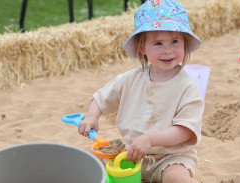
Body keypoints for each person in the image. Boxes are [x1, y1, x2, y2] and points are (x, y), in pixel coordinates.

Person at [78, 0, 204, 182]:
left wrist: (150, 139)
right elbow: (101, 98)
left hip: (169, 157)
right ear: (142, 47)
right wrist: (92, 116)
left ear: (185, 44)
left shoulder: (187, 86)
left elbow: (185, 131)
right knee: (87, 160)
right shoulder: (130, 79)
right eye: (158, 43)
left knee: (176, 178)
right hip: (129, 151)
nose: (167, 50)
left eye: (175, 41)